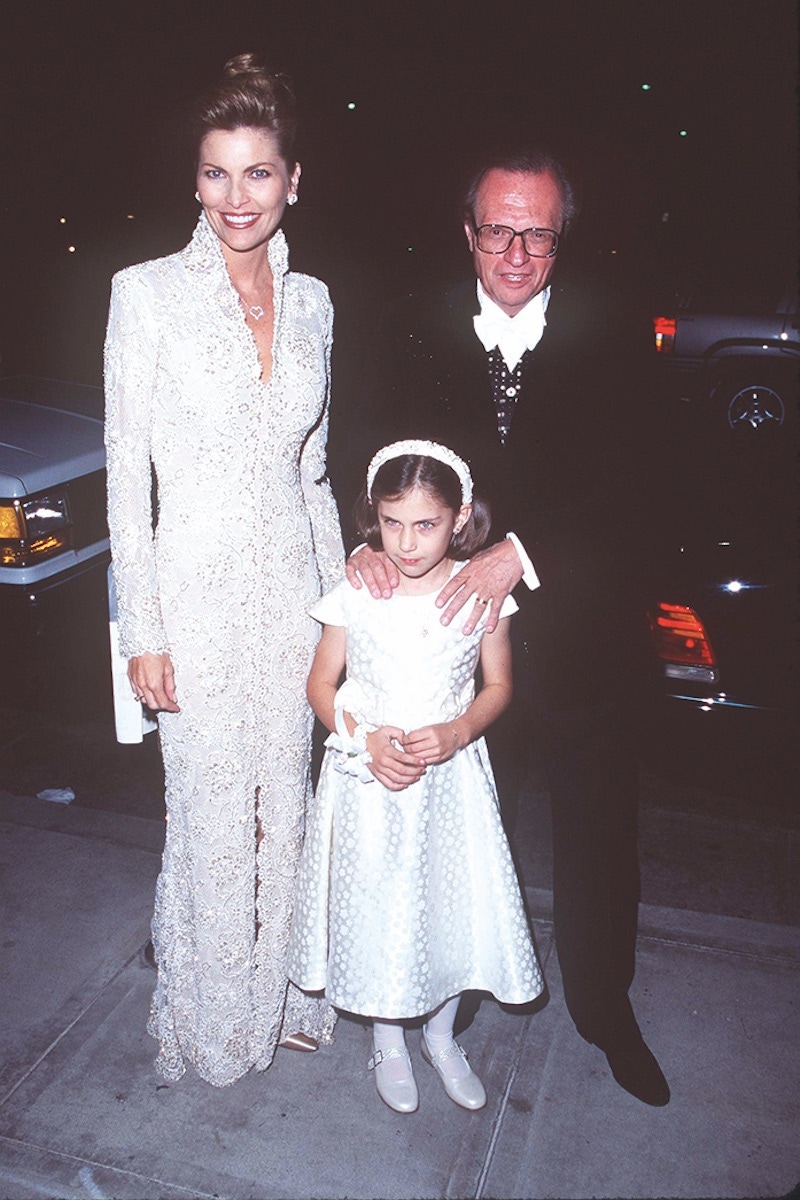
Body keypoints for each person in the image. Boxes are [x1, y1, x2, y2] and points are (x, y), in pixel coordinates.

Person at [333, 149, 670, 1106]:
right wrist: (365, 540)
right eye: (496, 229)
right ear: (467, 233)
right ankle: (464, 987)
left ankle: (607, 1011)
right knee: (467, 831)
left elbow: (643, 492)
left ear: (562, 238)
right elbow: (362, 446)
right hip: (453, 653)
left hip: (580, 645)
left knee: (600, 837)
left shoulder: (616, 337)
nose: (515, 251)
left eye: (538, 233)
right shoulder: (411, 324)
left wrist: (517, 551)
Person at [104, 54, 344, 1087]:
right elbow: (126, 480)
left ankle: (285, 1000)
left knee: (282, 805)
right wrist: (141, 630)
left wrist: (346, 623)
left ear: (295, 179)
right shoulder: (144, 295)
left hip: (294, 600)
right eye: (215, 174)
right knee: (206, 815)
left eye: (257, 173)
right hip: (192, 609)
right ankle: (208, 1024)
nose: (235, 197)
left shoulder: (319, 305)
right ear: (192, 181)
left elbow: (319, 475)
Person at [287, 441, 543, 1113]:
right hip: (369, 777)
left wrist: (460, 730)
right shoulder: (358, 590)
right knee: (379, 905)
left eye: (425, 524)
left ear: (459, 519)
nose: (406, 542)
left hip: (448, 779)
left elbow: (499, 685)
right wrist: (360, 738)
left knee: (446, 904)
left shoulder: (483, 592)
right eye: (392, 522)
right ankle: (388, 1039)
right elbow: (321, 681)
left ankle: (441, 1035)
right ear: (374, 515)